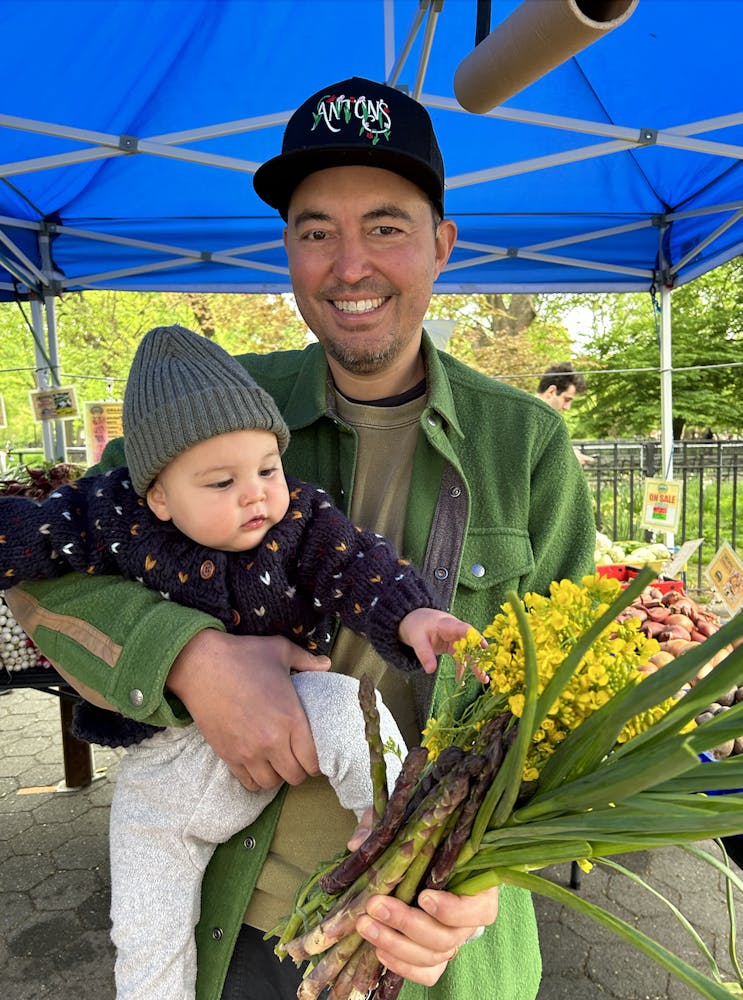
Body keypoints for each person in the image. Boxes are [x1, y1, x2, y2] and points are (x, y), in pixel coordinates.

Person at [7, 76, 595, 1000]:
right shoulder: (205, 413)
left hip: (441, 933)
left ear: (442, 244)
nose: (349, 265)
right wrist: (188, 659)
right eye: (316, 231)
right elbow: (45, 580)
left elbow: (572, 711)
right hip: (242, 919)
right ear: (286, 249)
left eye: (386, 227)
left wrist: (486, 870)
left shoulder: (524, 443)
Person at [0, 322, 484, 1000]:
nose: (256, 494)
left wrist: (413, 615)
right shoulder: (114, 514)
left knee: (350, 706)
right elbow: (40, 534)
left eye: (267, 468)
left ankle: (390, 825)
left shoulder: (299, 522)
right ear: (158, 495)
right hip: (166, 757)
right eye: (222, 481)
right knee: (144, 919)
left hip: (291, 705)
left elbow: (359, 567)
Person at [535, 362, 595, 466]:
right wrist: (568, 459)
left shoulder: (546, 422)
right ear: (551, 391)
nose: (567, 407)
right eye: (566, 399)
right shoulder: (525, 417)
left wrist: (569, 453)